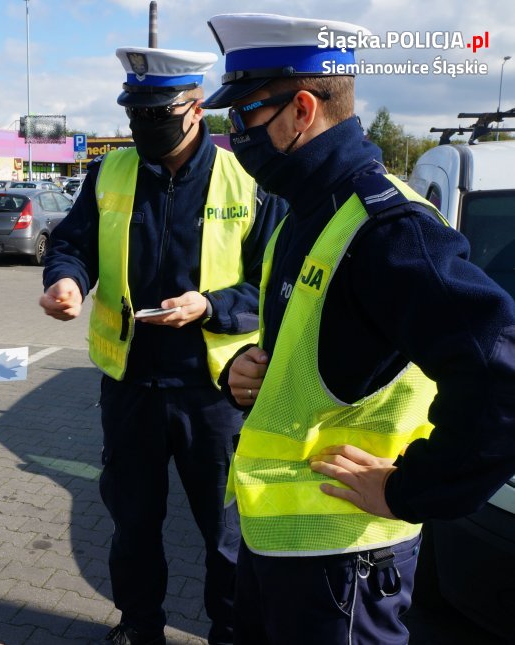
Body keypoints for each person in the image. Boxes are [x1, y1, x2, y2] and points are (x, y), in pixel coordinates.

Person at [202, 13, 515, 644]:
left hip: (343, 562)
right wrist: (244, 370)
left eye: (244, 116)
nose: (234, 134)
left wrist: (411, 490)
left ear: (302, 109)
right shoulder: (307, 214)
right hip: (280, 551)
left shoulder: (389, 229)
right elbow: (312, 354)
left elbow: (501, 376)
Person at [39, 47, 286, 645]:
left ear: (195, 110)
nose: (144, 127)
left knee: (227, 534)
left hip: (215, 395)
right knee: (133, 527)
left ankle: (230, 634)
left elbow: (276, 284)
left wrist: (211, 305)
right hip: (130, 389)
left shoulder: (248, 177)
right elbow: (73, 243)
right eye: (135, 116)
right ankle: (139, 628)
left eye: (157, 114)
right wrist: (65, 279)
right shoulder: (111, 173)